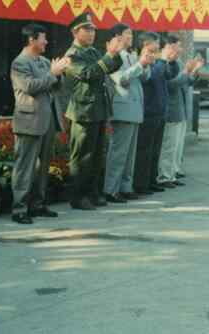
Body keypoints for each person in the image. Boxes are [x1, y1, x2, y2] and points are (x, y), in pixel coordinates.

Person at [9, 24, 70, 224]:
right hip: (29, 120)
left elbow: (55, 86)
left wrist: (59, 73)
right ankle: (19, 209)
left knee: (43, 166)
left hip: (48, 119)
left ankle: (38, 204)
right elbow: (29, 87)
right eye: (43, 38)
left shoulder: (44, 61)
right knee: (25, 166)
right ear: (31, 40)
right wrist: (52, 73)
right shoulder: (20, 63)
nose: (46, 42)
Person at [63, 12, 124, 211]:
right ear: (75, 32)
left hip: (97, 109)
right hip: (83, 111)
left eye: (93, 30)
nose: (91, 34)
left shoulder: (92, 52)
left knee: (97, 155)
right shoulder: (72, 55)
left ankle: (92, 193)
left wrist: (114, 54)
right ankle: (78, 197)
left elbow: (110, 68)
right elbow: (87, 73)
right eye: (87, 30)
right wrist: (108, 56)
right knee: (82, 156)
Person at [104, 24, 155, 203]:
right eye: (127, 34)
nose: (131, 37)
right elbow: (122, 79)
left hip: (134, 109)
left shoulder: (132, 55)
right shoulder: (114, 56)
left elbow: (144, 78)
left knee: (129, 154)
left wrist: (145, 64)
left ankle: (126, 186)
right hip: (122, 108)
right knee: (118, 153)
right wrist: (139, 64)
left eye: (131, 34)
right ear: (118, 37)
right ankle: (111, 189)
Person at [157, 37, 202, 187]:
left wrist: (193, 71)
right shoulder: (162, 65)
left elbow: (186, 82)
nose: (179, 51)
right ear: (167, 48)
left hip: (180, 109)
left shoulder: (177, 63)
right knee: (169, 146)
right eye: (176, 47)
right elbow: (171, 85)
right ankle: (164, 175)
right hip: (171, 110)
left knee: (177, 146)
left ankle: (173, 172)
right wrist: (186, 72)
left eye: (179, 48)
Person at [134, 32, 175, 195]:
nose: (158, 47)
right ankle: (141, 184)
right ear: (145, 43)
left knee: (155, 150)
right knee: (144, 150)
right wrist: (163, 60)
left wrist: (169, 61)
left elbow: (169, 75)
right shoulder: (143, 60)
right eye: (155, 43)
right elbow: (151, 77)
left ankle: (151, 180)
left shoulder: (157, 61)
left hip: (159, 110)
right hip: (148, 110)